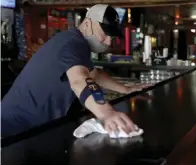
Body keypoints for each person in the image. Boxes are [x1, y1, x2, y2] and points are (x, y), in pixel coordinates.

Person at [1, 4, 146, 137]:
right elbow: (79, 81)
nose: (108, 42)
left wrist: (126, 90)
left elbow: (94, 75)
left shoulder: (75, 42)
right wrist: (107, 113)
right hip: (13, 127)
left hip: (31, 124)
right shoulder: (72, 43)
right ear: (87, 24)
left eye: (111, 37)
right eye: (104, 34)